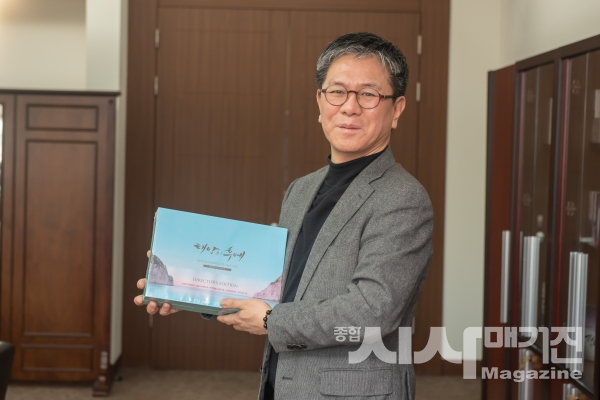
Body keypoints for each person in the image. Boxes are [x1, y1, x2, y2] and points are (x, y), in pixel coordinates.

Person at [134, 32, 433, 400]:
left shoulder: (402, 198)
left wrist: (269, 321)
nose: (349, 107)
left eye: (368, 95)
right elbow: (276, 287)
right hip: (283, 385)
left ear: (397, 109)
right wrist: (183, 288)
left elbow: (372, 311)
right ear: (320, 101)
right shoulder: (300, 190)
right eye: (337, 92)